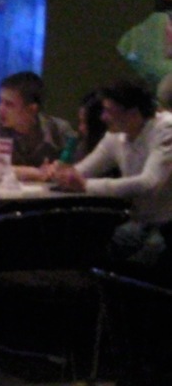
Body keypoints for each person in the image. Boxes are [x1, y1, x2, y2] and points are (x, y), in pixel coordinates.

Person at [52, 78, 172, 266]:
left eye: (108, 111)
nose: (103, 117)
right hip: (139, 220)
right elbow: (83, 170)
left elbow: (149, 183)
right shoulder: (116, 134)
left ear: (132, 114)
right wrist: (62, 174)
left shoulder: (166, 130)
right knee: (82, 240)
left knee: (138, 250)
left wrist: (85, 185)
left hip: (166, 224)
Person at [0, 71, 73, 182]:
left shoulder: (59, 130)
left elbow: (78, 171)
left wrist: (60, 170)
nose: (0, 108)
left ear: (31, 110)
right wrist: (35, 173)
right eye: (0, 101)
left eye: (9, 104)